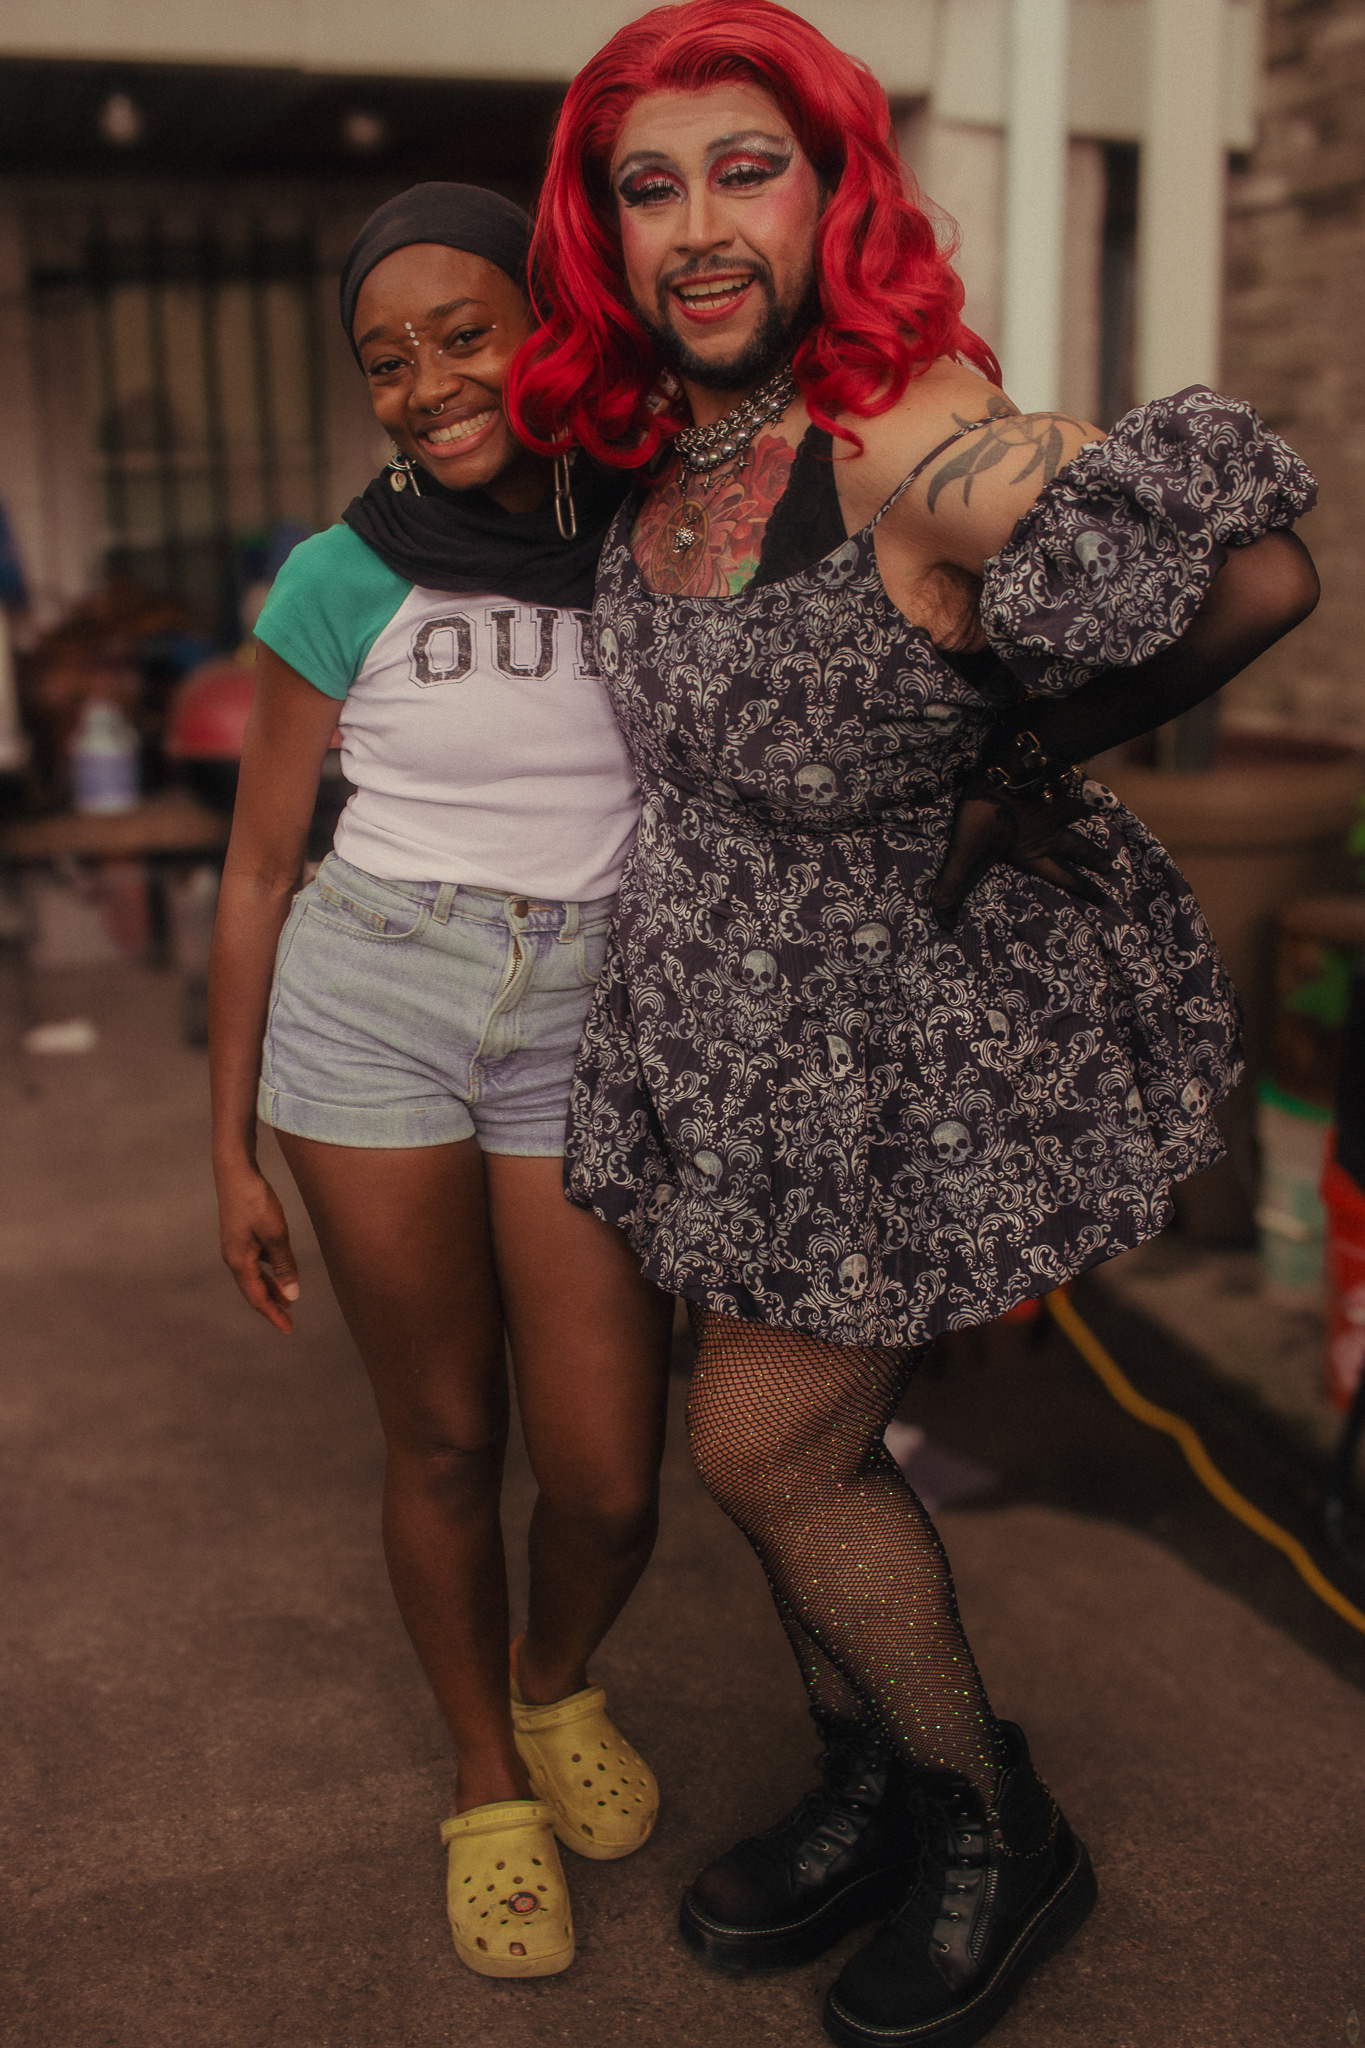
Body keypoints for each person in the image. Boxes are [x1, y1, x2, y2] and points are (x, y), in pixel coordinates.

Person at [506, 6, 1320, 2043]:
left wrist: (1020, 746)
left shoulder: (906, 427)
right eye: (650, 185)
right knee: (803, 1442)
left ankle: (987, 1818)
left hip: (888, 1034)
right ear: (606, 231)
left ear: (831, 192)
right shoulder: (671, 440)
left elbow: (1257, 578)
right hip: (722, 1024)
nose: (701, 225)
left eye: (747, 169)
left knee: (762, 1441)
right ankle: (871, 1772)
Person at [208, 183, 674, 1982]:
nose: (425, 383)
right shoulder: (337, 577)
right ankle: (486, 1781)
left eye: (463, 334)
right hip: (374, 1000)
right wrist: (228, 1151)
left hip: (585, 1011)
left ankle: (551, 1683)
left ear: (549, 326)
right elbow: (260, 865)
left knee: (609, 1479)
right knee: (447, 1436)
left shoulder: (652, 532)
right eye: (385, 359)